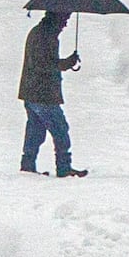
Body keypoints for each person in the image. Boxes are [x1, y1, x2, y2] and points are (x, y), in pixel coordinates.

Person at [17, 10, 87, 178]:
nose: (65, 23)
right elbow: (44, 65)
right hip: (43, 94)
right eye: (65, 18)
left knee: (35, 130)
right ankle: (63, 166)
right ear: (56, 17)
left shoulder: (39, 32)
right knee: (60, 129)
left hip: (31, 91)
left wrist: (64, 63)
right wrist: (65, 63)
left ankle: (28, 165)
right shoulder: (46, 36)